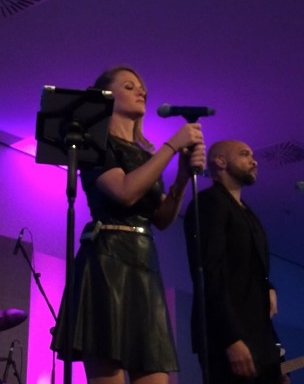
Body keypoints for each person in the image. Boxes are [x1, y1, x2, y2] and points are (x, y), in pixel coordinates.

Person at [50, 65, 206, 384]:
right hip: (106, 263)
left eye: (142, 87)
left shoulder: (146, 155)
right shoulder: (94, 144)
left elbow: (162, 219)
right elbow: (124, 192)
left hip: (144, 264)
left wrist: (180, 176)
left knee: (156, 374)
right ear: (107, 96)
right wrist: (172, 146)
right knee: (108, 369)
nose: (141, 91)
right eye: (129, 86)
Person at [183, 140, 290, 383]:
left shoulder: (247, 213)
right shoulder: (209, 203)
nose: (254, 161)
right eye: (244, 154)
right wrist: (231, 339)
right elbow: (210, 272)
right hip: (229, 339)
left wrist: (268, 286)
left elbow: (250, 270)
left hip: (258, 339)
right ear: (220, 161)